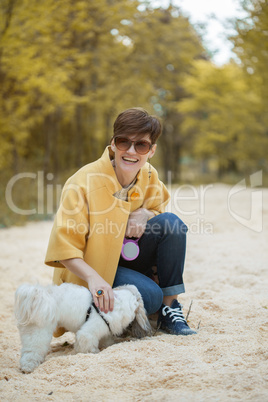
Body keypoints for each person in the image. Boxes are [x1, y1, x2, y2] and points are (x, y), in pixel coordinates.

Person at [45, 107, 196, 336]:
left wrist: (145, 213)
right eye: (124, 142)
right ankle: (125, 309)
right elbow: (64, 249)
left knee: (171, 224)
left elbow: (159, 211)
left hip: (127, 258)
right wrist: (95, 279)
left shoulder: (148, 175)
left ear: (152, 150)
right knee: (151, 296)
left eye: (141, 145)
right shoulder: (82, 182)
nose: (131, 151)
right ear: (113, 143)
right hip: (93, 269)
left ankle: (170, 308)